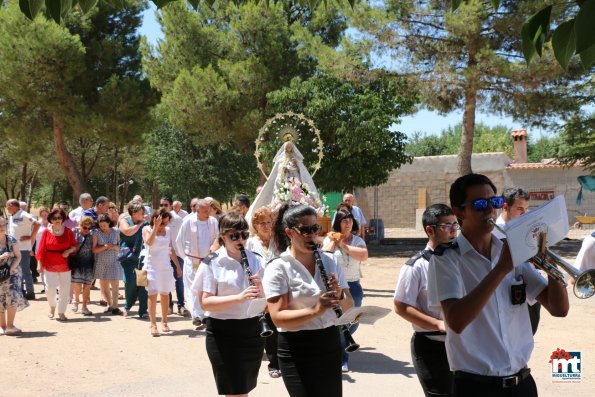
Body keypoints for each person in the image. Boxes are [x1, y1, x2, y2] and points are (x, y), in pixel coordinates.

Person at [427, 173, 569, 397]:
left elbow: (559, 309)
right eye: (480, 204)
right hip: (476, 387)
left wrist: (550, 264)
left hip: (522, 383)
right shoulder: (445, 259)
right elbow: (456, 321)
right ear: (459, 211)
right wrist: (501, 269)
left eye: (494, 202)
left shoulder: (511, 250)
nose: (490, 210)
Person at [264, 204, 354, 397]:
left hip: (328, 342)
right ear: (289, 232)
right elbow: (278, 317)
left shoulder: (330, 260)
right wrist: (316, 309)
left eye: (315, 229)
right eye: (305, 230)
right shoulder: (278, 267)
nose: (312, 235)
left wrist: (339, 295)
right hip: (296, 347)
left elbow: (350, 306)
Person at [191, 211, 266, 396]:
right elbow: (205, 303)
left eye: (244, 235)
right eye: (234, 235)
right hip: (223, 333)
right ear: (223, 237)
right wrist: (239, 298)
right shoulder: (212, 262)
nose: (240, 239)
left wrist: (261, 288)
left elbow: (267, 302)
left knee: (244, 389)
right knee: (235, 390)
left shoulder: (257, 259)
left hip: (252, 331)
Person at [394, 204, 458, 397]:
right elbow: (401, 307)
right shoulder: (416, 266)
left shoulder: (462, 260)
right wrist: (438, 324)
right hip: (432, 346)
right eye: (447, 226)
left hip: (462, 344)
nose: (454, 230)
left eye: (455, 224)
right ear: (430, 230)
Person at [322, 209, 368, 373]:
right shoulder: (330, 237)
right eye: (344, 220)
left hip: (354, 286)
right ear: (338, 223)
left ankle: (341, 344)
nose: (347, 223)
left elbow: (363, 255)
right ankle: (342, 358)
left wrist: (344, 245)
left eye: (350, 220)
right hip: (337, 287)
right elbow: (325, 253)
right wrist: (335, 241)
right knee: (341, 323)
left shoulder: (357, 240)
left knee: (352, 323)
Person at [494, 187, 541, 335]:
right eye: (520, 208)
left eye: (526, 209)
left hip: (530, 292)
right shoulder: (495, 232)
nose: (524, 213)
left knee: (528, 336)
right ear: (505, 207)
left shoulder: (525, 227)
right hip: (509, 293)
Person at [246, 207, 280, 378]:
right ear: (255, 225)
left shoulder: (278, 241)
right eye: (262, 223)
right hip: (260, 290)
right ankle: (273, 364)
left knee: (279, 325)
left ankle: (281, 361)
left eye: (269, 222)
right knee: (267, 328)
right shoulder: (251, 243)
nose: (266, 226)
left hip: (277, 288)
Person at [176, 199, 219, 327]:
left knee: (207, 286)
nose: (208, 212)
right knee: (193, 287)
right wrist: (187, 258)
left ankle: (205, 314)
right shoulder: (188, 221)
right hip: (192, 260)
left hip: (209, 260)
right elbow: (179, 242)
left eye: (209, 210)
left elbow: (217, 239)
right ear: (197, 210)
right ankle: (196, 315)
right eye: (205, 210)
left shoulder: (213, 221)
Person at [143, 209, 182, 336]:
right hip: (152, 266)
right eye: (162, 222)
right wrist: (155, 227)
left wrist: (178, 266)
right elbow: (149, 242)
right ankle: (153, 324)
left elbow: (171, 249)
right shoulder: (146, 229)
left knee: (165, 294)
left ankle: (164, 321)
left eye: (166, 222)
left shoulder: (169, 231)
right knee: (152, 294)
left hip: (165, 266)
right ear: (155, 219)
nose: (165, 225)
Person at [36, 209, 77, 321]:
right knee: (50, 288)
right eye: (54, 218)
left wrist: (68, 251)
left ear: (63, 219)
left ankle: (61, 311)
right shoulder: (46, 232)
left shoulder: (69, 231)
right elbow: (40, 249)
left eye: (59, 218)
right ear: (51, 220)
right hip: (49, 264)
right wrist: (39, 264)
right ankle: (52, 307)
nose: (57, 220)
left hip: (65, 265)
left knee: (65, 289)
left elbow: (74, 246)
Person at [118, 201, 149, 319]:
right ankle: (127, 306)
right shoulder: (124, 221)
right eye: (142, 212)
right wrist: (140, 224)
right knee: (130, 282)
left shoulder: (145, 223)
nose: (144, 214)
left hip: (141, 257)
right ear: (134, 213)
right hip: (128, 257)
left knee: (142, 284)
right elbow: (127, 231)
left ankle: (143, 310)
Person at [6, 198, 41, 300]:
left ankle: (31, 293)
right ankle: (20, 291)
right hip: (13, 248)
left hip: (23, 249)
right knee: (16, 271)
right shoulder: (12, 216)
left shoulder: (24, 215)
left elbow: (37, 224)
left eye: (8, 205)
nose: (7, 208)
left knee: (25, 271)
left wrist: (30, 237)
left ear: (13, 206)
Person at [160, 197, 189, 317]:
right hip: (164, 255)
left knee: (179, 281)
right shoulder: (158, 218)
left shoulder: (178, 219)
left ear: (171, 206)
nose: (163, 207)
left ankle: (181, 305)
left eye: (166, 205)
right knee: (166, 281)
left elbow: (181, 238)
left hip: (177, 254)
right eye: (161, 205)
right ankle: (169, 305)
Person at [0, 216, 27, 336]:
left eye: (2, 225)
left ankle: (10, 325)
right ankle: (2, 326)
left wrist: (11, 269)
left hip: (13, 273)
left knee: (14, 296)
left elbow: (18, 256)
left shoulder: (11, 239)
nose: (1, 228)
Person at [92, 214, 122, 315]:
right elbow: (94, 249)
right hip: (101, 261)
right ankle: (110, 305)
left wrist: (113, 247)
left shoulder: (116, 231)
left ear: (109, 223)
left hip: (114, 260)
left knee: (115, 283)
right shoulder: (96, 233)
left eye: (104, 225)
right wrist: (104, 247)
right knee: (104, 285)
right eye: (101, 226)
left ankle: (115, 306)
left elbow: (120, 247)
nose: (103, 228)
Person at [70, 216, 95, 316]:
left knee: (87, 285)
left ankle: (84, 306)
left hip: (89, 263)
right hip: (77, 262)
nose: (87, 230)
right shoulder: (74, 232)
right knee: (77, 283)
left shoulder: (92, 234)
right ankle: (76, 300)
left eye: (89, 228)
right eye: (85, 228)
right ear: (80, 225)